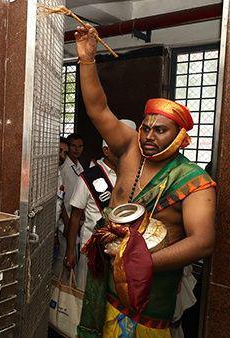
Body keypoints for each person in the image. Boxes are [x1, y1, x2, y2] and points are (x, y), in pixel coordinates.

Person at [73, 24, 217, 338]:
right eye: (146, 127)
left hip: (150, 297)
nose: (149, 136)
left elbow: (203, 242)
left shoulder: (194, 181)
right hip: (106, 284)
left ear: (180, 137)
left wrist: (142, 263)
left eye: (160, 130)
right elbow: (97, 109)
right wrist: (86, 59)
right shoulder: (129, 150)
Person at [64, 123, 132, 290]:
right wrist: (71, 251)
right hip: (92, 250)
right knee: (87, 297)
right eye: (120, 148)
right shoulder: (88, 177)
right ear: (106, 150)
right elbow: (75, 218)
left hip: (122, 252)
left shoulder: (132, 175)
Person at [54, 137, 70, 275]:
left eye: (65, 153)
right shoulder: (41, 173)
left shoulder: (58, 174)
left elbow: (60, 201)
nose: (62, 156)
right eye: (59, 151)